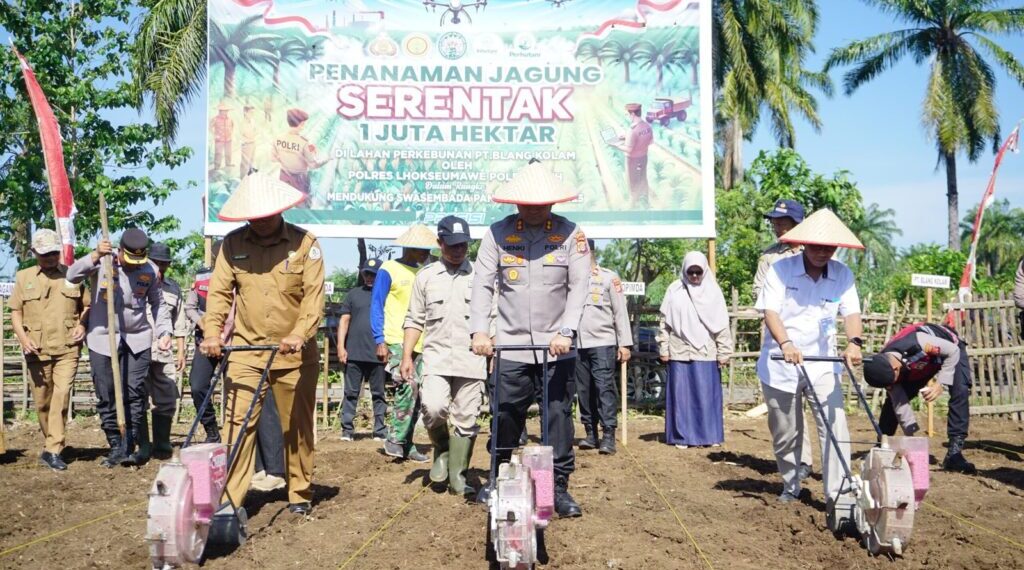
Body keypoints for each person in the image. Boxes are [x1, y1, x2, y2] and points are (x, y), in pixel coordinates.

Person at [199, 172, 325, 515]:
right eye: (254, 215)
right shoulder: (232, 245)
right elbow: (220, 294)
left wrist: (300, 333)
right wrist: (212, 333)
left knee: (296, 426)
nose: (261, 221)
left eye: (266, 214)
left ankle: (299, 491)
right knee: (236, 425)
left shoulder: (305, 244)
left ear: (279, 210)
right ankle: (230, 499)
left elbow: (313, 300)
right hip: (246, 351)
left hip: (295, 354)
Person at [471, 160, 590, 518]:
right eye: (527, 204)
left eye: (541, 204)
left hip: (557, 347)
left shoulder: (572, 235)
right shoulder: (497, 234)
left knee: (557, 419)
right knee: (505, 415)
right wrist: (479, 329)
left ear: (552, 203)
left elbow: (579, 285)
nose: (534, 210)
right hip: (510, 346)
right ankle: (497, 475)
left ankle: (556, 487)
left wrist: (566, 330)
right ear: (516, 203)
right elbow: (481, 284)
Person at [755, 209, 864, 507]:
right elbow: (770, 312)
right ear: (804, 244)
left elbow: (851, 313)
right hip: (781, 362)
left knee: (834, 426)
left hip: (822, 365)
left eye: (829, 248)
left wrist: (854, 343)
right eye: (816, 246)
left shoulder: (842, 274)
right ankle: (791, 484)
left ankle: (838, 495)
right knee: (786, 435)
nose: (822, 253)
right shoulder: (781, 270)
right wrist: (786, 342)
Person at [185, 240, 285, 491]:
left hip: (244, 345)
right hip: (210, 343)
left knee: (254, 403)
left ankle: (267, 468)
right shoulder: (204, 280)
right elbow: (195, 308)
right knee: (198, 386)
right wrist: (208, 329)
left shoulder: (250, 276)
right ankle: (213, 434)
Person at [67, 228, 172, 467]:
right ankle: (116, 444)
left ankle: (132, 443)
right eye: (129, 259)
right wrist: (94, 255)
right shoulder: (103, 262)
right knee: (107, 394)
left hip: (137, 338)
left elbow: (158, 304)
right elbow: (71, 276)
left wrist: (164, 331)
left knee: (135, 393)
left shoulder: (150, 270)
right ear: (120, 250)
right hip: (103, 339)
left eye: (139, 259)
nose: (135, 264)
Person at [401, 216, 488, 497]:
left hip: (471, 360)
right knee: (433, 407)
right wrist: (406, 357)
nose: (458, 250)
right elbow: (414, 319)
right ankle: (442, 449)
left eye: (463, 245)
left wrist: (493, 349)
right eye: (451, 245)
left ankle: (458, 475)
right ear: (439, 244)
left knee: (467, 418)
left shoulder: (481, 277)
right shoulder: (425, 277)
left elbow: (494, 317)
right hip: (436, 358)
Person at [9, 229, 88, 470]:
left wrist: (83, 324)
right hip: (37, 349)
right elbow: (15, 312)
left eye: (54, 253)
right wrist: (23, 339)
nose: (50, 258)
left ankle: (54, 448)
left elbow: (87, 305)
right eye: (44, 254)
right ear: (34, 253)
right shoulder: (24, 277)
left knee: (62, 396)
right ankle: (49, 443)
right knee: (42, 402)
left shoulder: (73, 275)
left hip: (67, 348)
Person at [752, 199, 814, 481]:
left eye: (782, 221)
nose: (776, 225)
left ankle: (811, 462)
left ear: (797, 223)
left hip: (810, 339)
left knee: (818, 404)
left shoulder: (816, 253)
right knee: (785, 406)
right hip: (778, 339)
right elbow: (760, 293)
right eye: (774, 221)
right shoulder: (769, 257)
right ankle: (796, 462)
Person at [862, 322, 977, 473]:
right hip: (920, 365)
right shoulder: (884, 365)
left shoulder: (919, 342)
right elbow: (900, 405)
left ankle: (954, 454)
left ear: (896, 369)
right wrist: (913, 439)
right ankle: (882, 446)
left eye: (892, 382)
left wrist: (940, 383)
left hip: (949, 350)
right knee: (892, 402)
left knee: (960, 390)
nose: (893, 386)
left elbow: (953, 351)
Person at [371, 224, 436, 462]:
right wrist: (380, 339)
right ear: (408, 247)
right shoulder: (389, 269)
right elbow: (377, 304)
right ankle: (395, 437)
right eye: (419, 249)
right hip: (396, 338)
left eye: (426, 249)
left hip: (423, 339)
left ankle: (406, 444)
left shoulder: (428, 272)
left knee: (418, 391)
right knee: (408, 384)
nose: (423, 253)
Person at [658, 252, 733, 449]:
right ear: (684, 270)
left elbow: (722, 324)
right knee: (681, 397)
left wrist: (724, 351)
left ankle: (709, 435)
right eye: (690, 272)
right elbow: (664, 324)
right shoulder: (674, 290)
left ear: (704, 271)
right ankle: (682, 437)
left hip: (706, 350)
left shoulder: (713, 291)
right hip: (680, 349)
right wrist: (663, 348)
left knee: (706, 395)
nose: (694, 276)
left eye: (698, 272)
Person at [575, 239, 632, 455]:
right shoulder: (570, 279)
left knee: (604, 388)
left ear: (591, 251)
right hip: (578, 344)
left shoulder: (608, 277)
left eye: (583, 250)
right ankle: (590, 433)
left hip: (603, 342)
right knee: (584, 390)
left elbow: (620, 312)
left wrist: (624, 343)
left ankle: (608, 434)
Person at [145, 243, 191, 460]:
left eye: (164, 263)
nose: (161, 267)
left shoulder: (173, 288)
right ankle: (141, 443)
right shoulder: (138, 283)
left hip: (164, 351)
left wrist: (181, 351)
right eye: (157, 263)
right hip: (139, 350)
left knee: (166, 397)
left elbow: (179, 321)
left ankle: (162, 444)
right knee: (137, 398)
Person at [338, 258, 388, 441]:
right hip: (354, 353)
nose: (369, 277)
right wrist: (341, 347)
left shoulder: (385, 294)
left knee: (379, 394)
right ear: (362, 273)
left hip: (378, 353)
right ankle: (347, 431)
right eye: (367, 273)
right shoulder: (353, 294)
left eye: (373, 274)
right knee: (350, 393)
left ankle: (380, 430)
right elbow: (344, 321)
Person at [184, 240, 225, 443]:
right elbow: (190, 307)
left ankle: (238, 434)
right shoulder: (202, 278)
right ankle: (211, 430)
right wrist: (202, 323)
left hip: (233, 341)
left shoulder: (246, 278)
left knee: (238, 390)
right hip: (205, 340)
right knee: (197, 385)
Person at [272, 108, 329, 207]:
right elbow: (313, 165)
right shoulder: (303, 142)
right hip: (300, 180)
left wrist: (287, 159)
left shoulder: (278, 139)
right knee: (303, 209)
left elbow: (273, 158)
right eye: (303, 124)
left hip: (284, 177)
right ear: (301, 124)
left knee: (284, 206)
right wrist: (326, 159)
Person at [608, 103, 653, 206]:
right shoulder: (647, 126)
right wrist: (628, 138)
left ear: (632, 114)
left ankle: (633, 205)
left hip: (632, 161)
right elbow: (651, 141)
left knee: (632, 183)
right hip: (644, 158)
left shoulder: (632, 130)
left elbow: (628, 149)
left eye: (627, 114)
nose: (627, 116)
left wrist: (616, 144)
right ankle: (646, 201)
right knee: (643, 179)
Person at [211, 101, 233, 171]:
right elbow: (209, 127)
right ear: (220, 111)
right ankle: (217, 167)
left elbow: (232, 127)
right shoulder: (215, 119)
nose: (225, 112)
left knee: (228, 152)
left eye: (226, 111)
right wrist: (214, 135)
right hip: (219, 139)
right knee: (218, 153)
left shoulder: (230, 119)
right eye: (223, 111)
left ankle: (228, 163)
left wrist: (231, 134)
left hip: (228, 139)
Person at [239, 103, 258, 179]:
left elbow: (256, 131)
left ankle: (249, 175)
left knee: (251, 160)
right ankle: (243, 179)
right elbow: (243, 135)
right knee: (245, 163)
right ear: (245, 112)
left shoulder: (252, 121)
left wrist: (254, 135)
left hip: (253, 143)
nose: (253, 114)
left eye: (253, 112)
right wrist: (251, 136)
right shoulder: (242, 123)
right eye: (251, 112)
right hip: (246, 144)